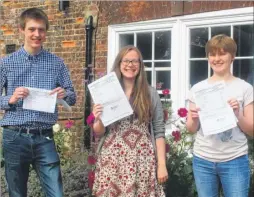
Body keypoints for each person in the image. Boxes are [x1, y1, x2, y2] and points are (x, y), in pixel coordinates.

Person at [0, 8, 76, 197]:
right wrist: (10, 98)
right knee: (17, 194)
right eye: (32, 29)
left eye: (41, 30)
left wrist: (64, 93)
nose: (37, 34)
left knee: (56, 193)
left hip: (45, 138)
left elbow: (72, 98)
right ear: (22, 30)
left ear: (46, 32)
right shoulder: (6, 63)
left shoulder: (57, 63)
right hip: (14, 136)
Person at [91, 46, 168, 196]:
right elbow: (100, 131)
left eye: (134, 61)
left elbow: (159, 131)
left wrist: (162, 165)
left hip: (142, 159)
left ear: (140, 65)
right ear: (119, 64)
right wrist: (97, 119)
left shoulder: (150, 93)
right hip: (112, 159)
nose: (130, 65)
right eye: (126, 61)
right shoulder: (107, 92)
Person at [186, 34, 253, 197]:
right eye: (212, 54)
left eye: (222, 53)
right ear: (208, 57)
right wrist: (194, 118)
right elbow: (191, 129)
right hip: (203, 160)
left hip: (235, 160)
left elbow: (251, 130)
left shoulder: (244, 88)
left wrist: (238, 114)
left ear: (232, 57)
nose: (217, 58)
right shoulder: (198, 89)